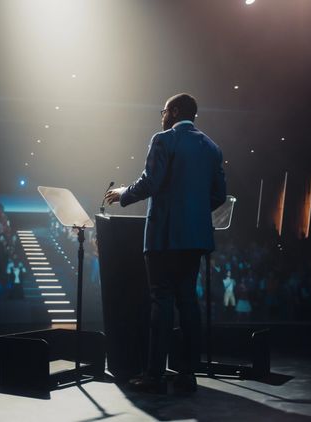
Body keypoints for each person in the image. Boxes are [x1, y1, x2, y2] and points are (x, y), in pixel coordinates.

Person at [105, 93, 226, 394]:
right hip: (195, 239)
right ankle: (187, 375)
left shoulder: (163, 139)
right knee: (188, 304)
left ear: (173, 111)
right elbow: (219, 195)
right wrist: (194, 214)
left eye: (163, 111)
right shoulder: (212, 147)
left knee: (161, 302)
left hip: (163, 237)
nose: (161, 116)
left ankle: (155, 375)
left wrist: (123, 193)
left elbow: (151, 182)